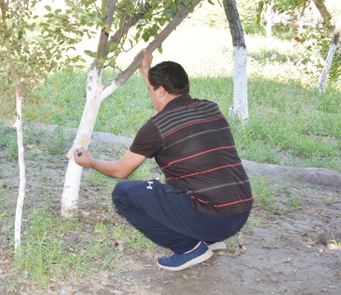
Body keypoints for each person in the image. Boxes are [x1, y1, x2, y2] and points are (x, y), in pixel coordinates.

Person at [74, 49, 253, 271]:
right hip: (239, 213)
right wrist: (147, 71)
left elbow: (120, 170)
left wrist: (90, 162)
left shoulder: (157, 127)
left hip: (212, 218)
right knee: (181, 180)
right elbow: (163, 98)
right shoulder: (210, 108)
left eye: (154, 88)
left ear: (160, 90)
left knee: (124, 193)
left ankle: (189, 248)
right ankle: (208, 239)